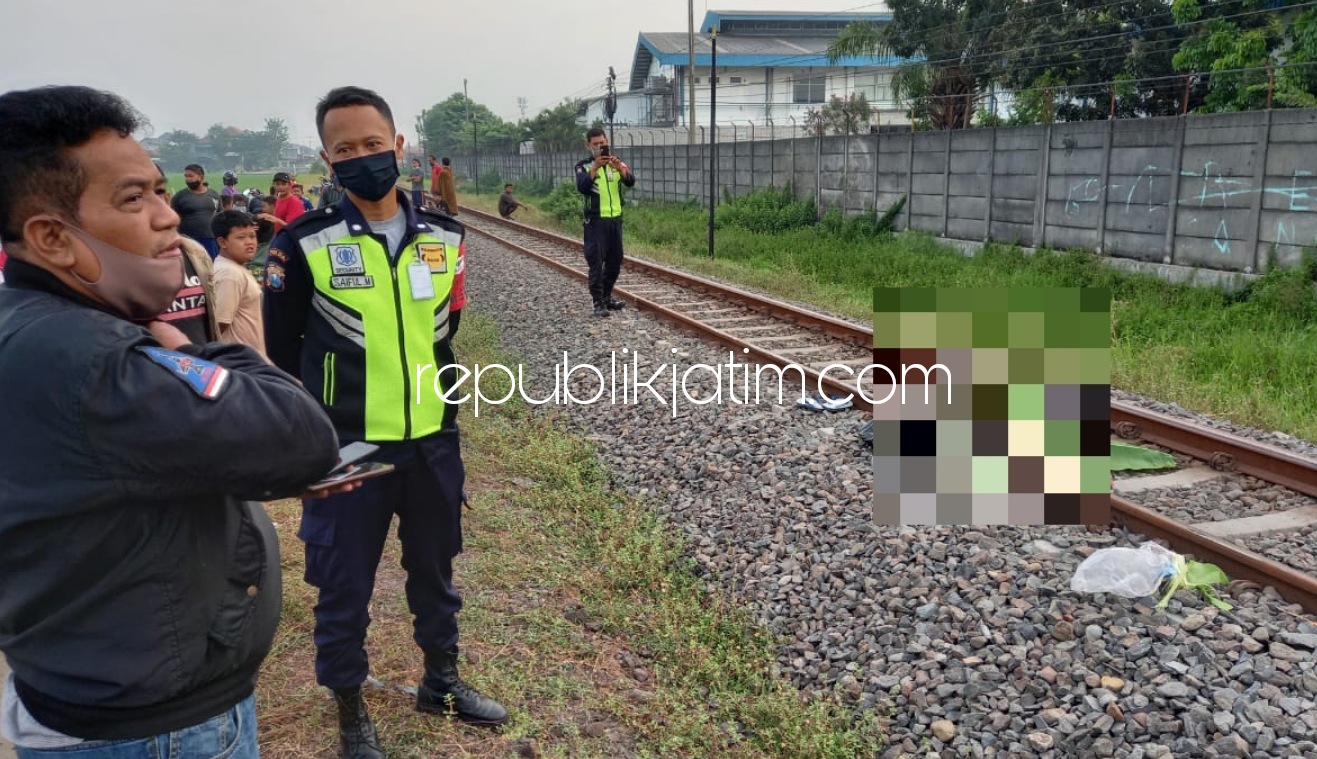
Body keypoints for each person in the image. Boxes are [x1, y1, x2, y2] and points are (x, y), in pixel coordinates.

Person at [0, 84, 342, 759]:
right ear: (50, 237)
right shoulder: (99, 362)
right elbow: (301, 437)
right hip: (154, 731)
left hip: (90, 693)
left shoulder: (36, 327)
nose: (168, 219)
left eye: (161, 192)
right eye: (133, 199)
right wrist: (194, 345)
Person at [263, 85, 506, 759]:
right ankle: (348, 708)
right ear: (327, 159)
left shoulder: (444, 235)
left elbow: (444, 329)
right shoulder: (302, 244)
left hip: (432, 442)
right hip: (348, 452)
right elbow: (282, 352)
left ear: (398, 146)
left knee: (436, 570)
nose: (362, 157)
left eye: (373, 145)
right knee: (343, 583)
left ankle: (443, 684)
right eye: (345, 150)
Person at [574, 127, 634, 317]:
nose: (600, 147)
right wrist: (595, 168)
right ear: (588, 145)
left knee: (615, 261)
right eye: (596, 144)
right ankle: (598, 302)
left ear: (607, 141)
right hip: (595, 221)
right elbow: (582, 187)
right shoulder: (582, 166)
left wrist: (621, 171)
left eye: (603, 143)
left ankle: (607, 297)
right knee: (596, 262)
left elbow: (631, 181)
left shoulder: (617, 163)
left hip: (615, 220)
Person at [210, 209, 267, 358]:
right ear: (222, 242)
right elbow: (219, 325)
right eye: (241, 237)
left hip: (252, 359)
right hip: (241, 362)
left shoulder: (236, 267)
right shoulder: (230, 274)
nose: (250, 242)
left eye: (252, 236)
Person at [171, 163, 222, 259]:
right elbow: (173, 218)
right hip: (188, 240)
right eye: (186, 176)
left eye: (190, 176)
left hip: (210, 239)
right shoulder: (180, 196)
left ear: (201, 177)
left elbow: (220, 215)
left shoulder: (213, 195)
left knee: (210, 266)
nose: (187, 179)